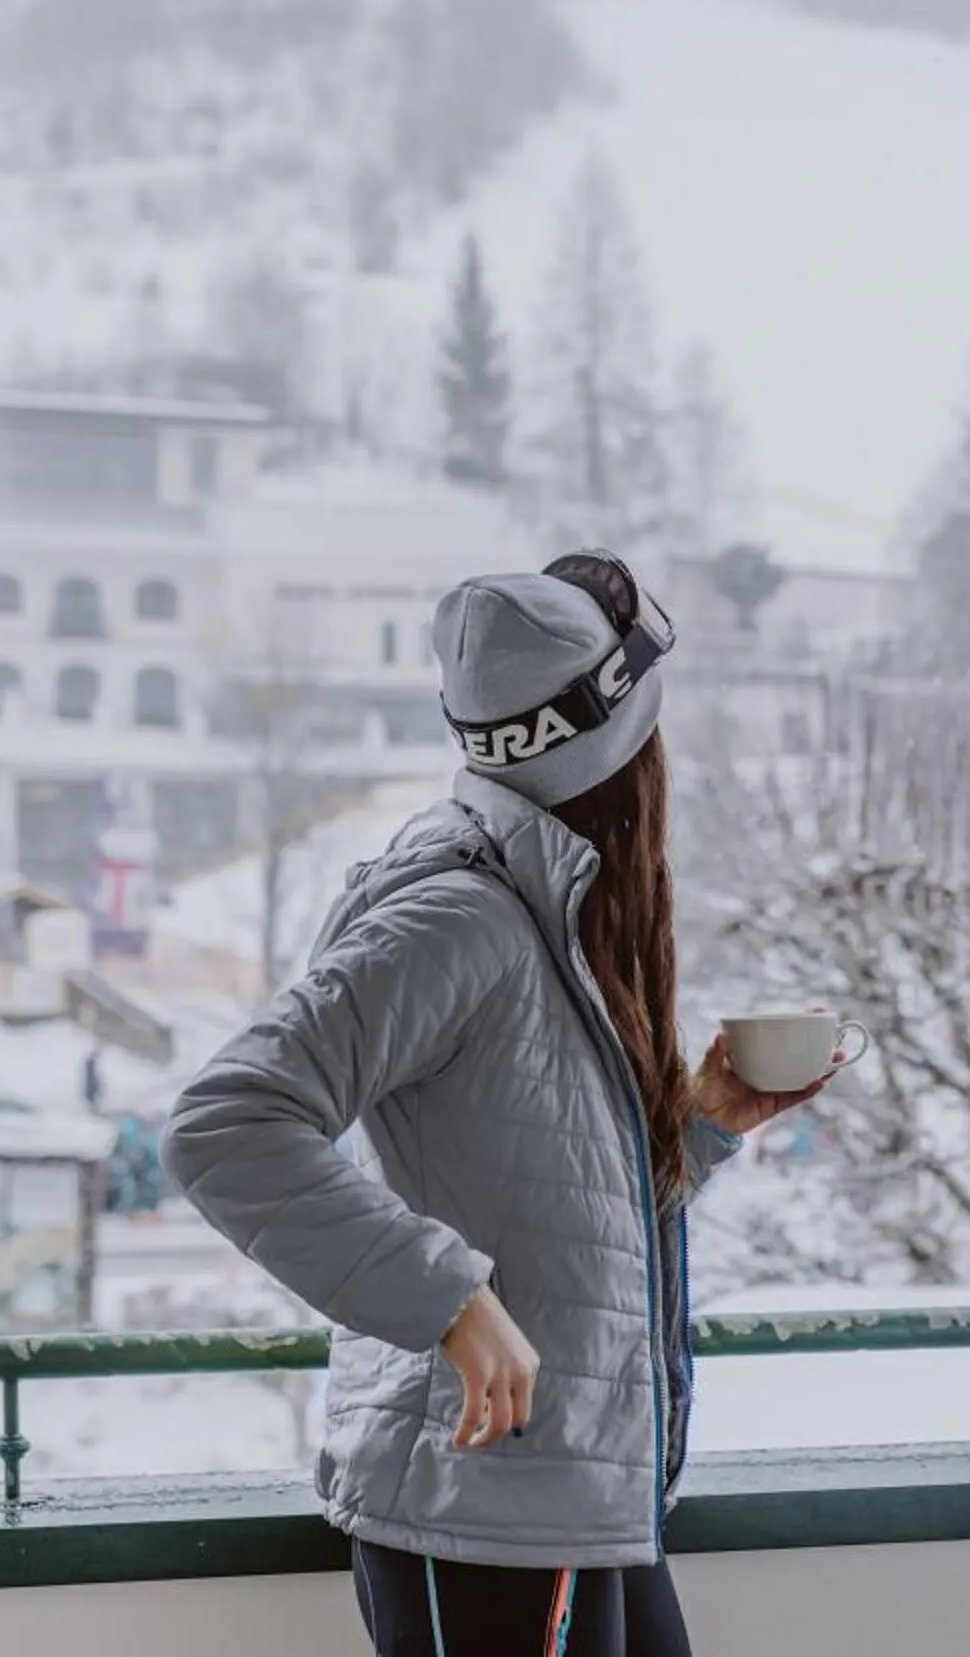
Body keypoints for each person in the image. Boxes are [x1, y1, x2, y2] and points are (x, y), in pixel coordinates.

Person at [165, 552, 831, 1657]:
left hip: (580, 1495)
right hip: (483, 1514)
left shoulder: (547, 919)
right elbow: (224, 1123)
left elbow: (546, 1200)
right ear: (626, 752)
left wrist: (702, 1124)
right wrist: (451, 1301)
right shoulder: (460, 922)